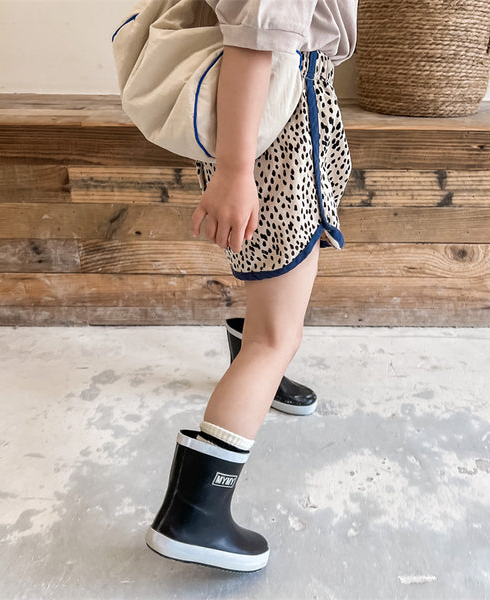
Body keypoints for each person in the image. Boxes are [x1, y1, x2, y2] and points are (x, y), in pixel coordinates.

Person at [145, 0, 358, 572]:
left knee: (274, 285)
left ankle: (258, 364)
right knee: (277, 336)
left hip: (267, 115)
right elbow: (254, 39)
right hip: (280, 119)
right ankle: (194, 517)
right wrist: (235, 173)